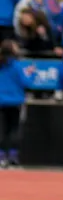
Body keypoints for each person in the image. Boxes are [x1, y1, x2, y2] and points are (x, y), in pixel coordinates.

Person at [0, 38, 23, 167]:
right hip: (15, 102)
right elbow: (26, 82)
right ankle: (13, 156)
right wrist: (32, 73)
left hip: (2, 102)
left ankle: (2, 156)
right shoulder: (17, 66)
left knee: (3, 130)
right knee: (14, 129)